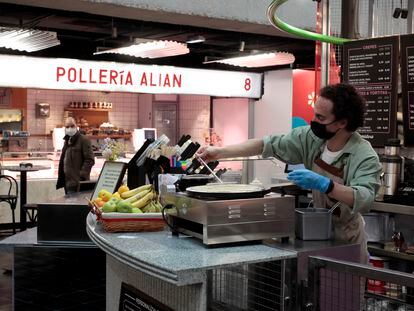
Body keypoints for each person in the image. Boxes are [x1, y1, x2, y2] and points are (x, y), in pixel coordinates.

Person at [197, 83, 382, 263]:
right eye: (314, 115)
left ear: (342, 123)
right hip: (315, 234)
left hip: (346, 241)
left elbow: (365, 197)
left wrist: (328, 185)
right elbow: (265, 144)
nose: (314, 122)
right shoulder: (312, 139)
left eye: (321, 118)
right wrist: (220, 152)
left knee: (341, 293)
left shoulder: (364, 155)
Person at [56, 117, 95, 194]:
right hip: (67, 183)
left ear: (76, 126)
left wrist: (81, 176)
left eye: (72, 126)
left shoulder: (84, 140)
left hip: (79, 183)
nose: (70, 128)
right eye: (67, 127)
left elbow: (90, 160)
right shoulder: (67, 141)